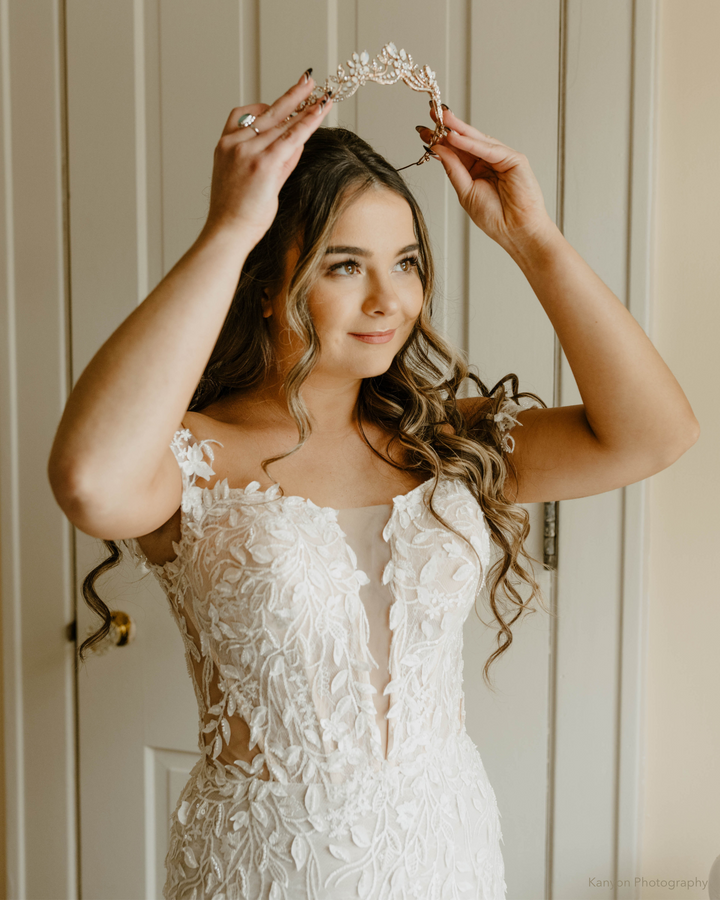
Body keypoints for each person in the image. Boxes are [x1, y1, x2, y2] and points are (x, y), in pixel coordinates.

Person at [48, 71, 698, 900]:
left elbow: (658, 433)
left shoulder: (444, 442)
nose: (390, 299)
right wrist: (230, 225)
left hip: (447, 851)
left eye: (407, 263)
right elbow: (86, 478)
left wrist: (533, 237)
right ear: (264, 280)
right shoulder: (193, 457)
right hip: (268, 869)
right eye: (344, 265)